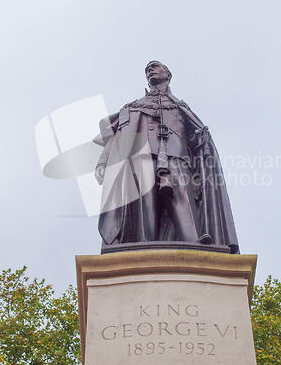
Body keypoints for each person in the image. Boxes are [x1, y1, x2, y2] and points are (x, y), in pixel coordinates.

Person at [94, 61, 239, 253]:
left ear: (168, 74)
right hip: (141, 157)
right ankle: (145, 245)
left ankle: (194, 241)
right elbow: (117, 137)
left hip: (176, 156)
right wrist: (103, 162)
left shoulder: (179, 106)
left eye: (154, 67)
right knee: (146, 205)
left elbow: (197, 139)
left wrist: (202, 143)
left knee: (182, 196)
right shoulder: (133, 107)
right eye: (147, 70)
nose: (150, 70)